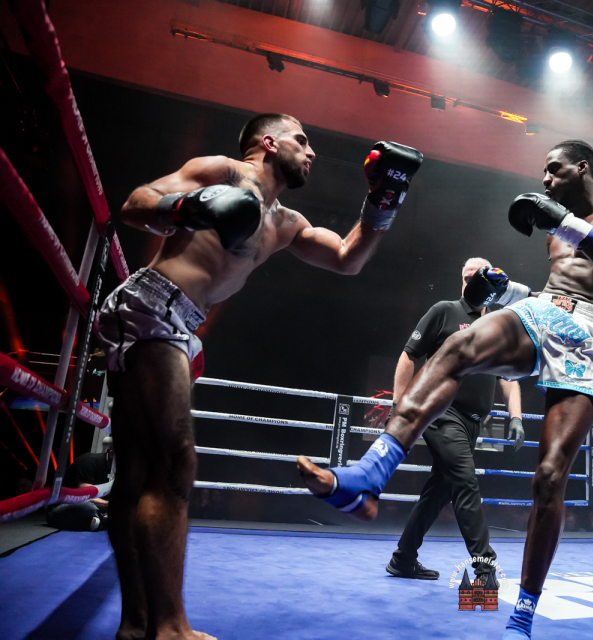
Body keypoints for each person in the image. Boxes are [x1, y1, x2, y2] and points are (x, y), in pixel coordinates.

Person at [297, 139, 593, 639]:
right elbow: (557, 291)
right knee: (457, 347)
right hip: (542, 312)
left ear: (584, 167)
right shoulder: (535, 246)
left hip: (590, 334)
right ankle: (370, 476)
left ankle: (522, 615)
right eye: (544, 172)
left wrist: (567, 224)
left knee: (550, 477)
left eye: (554, 169)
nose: (545, 179)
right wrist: (509, 291)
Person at [96, 113, 421, 640]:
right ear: (268, 143)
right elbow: (135, 205)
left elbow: (347, 259)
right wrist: (187, 207)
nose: (311, 152)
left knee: (137, 475)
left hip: (180, 321)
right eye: (301, 140)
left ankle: (136, 624)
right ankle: (170, 627)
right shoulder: (223, 171)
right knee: (176, 463)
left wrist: (382, 201)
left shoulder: (286, 221)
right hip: (151, 306)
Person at [386, 257, 525, 583]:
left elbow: (507, 377)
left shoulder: (498, 325)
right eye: (465, 277)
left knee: (440, 491)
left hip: (473, 423)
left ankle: (403, 559)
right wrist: (398, 405)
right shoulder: (445, 311)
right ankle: (485, 569)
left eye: (475, 277)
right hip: (441, 413)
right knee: (465, 481)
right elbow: (409, 354)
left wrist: (516, 417)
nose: (469, 283)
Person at [45, 437, 114, 532]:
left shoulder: (117, 471)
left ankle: (99, 521)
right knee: (88, 506)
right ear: (111, 454)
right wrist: (111, 505)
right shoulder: (89, 461)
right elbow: (87, 496)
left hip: (92, 509)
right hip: (60, 508)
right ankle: (102, 521)